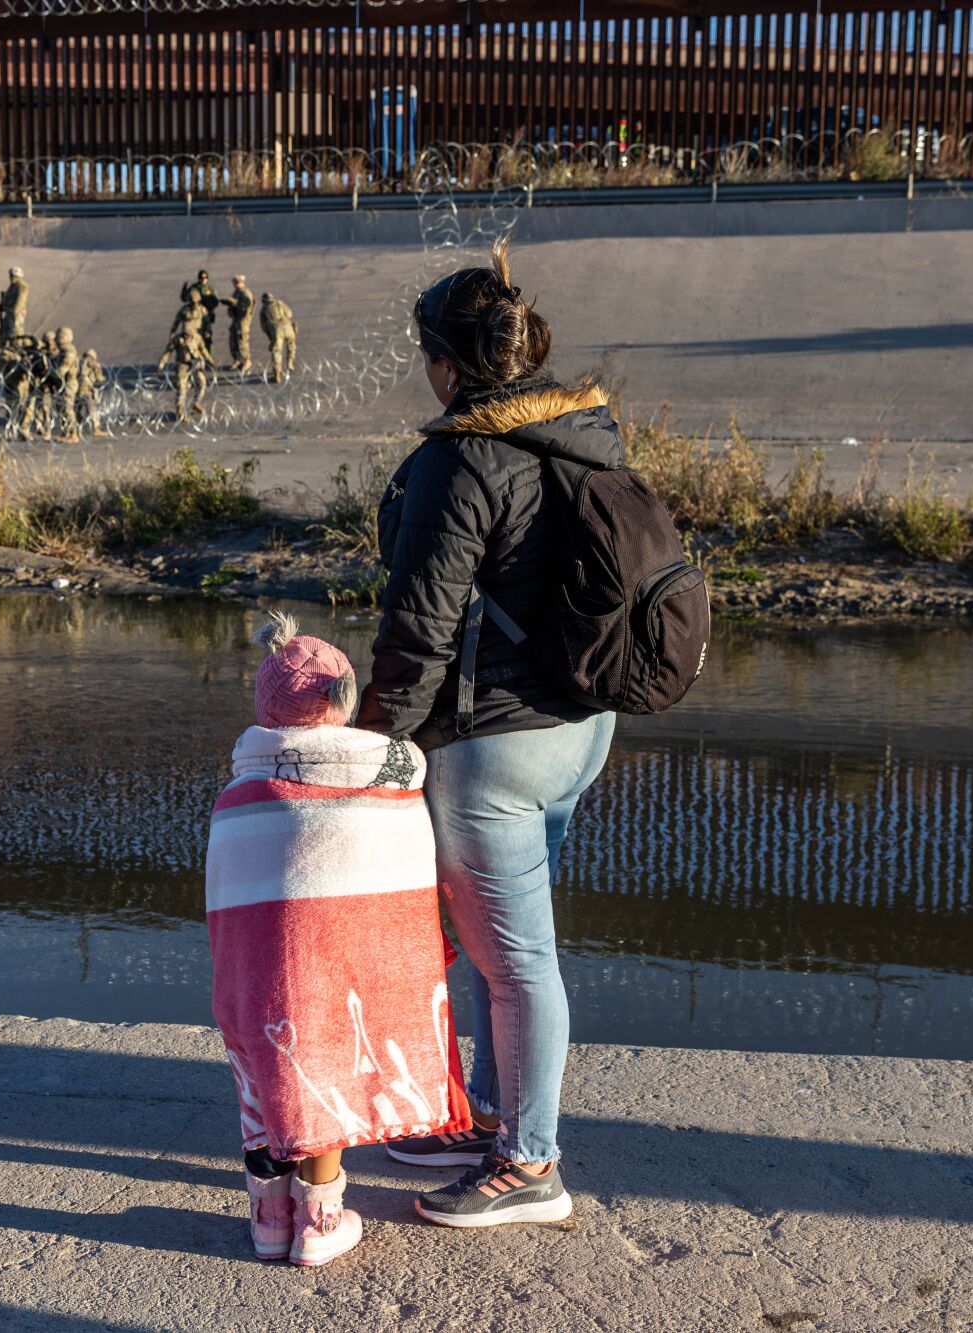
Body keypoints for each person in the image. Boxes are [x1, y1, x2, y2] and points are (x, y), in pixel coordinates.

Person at [356, 238, 617, 1229]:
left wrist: (374, 747)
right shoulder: (583, 430)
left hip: (496, 746)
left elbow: (417, 625)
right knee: (498, 942)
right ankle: (490, 1120)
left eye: (425, 353)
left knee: (514, 962)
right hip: (580, 726)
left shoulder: (460, 455)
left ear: (447, 360)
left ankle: (530, 1163)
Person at [206, 611, 469, 1266]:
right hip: (337, 969)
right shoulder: (392, 781)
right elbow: (403, 890)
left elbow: (224, 896)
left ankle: (269, 1217)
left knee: (262, 1063)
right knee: (322, 1061)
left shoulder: (239, 793)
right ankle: (320, 1218)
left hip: (255, 969)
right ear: (345, 700)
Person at [158, 321, 211, 422]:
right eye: (185, 333)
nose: (186, 335)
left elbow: (203, 350)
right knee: (182, 389)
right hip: (182, 365)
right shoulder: (178, 339)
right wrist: (161, 363)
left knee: (202, 382)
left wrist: (210, 361)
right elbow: (168, 352)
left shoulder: (197, 338)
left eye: (188, 333)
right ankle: (180, 411)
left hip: (195, 364)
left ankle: (197, 402)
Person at [50, 327, 82, 443]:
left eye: (60, 336)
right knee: (60, 407)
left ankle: (73, 434)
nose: (57, 338)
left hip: (69, 383)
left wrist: (49, 373)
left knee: (67, 407)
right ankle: (65, 432)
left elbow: (61, 371)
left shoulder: (69, 353)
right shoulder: (61, 352)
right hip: (61, 384)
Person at [260, 292, 297, 383]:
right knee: (291, 345)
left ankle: (277, 374)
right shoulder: (280, 303)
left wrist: (270, 337)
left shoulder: (264, 309)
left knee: (276, 351)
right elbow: (289, 314)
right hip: (288, 327)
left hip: (276, 330)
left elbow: (264, 326)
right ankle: (290, 363)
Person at [223, 276, 255, 374]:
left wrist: (233, 302)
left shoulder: (246, 294)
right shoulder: (237, 293)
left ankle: (247, 361)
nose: (236, 284)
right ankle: (237, 359)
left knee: (242, 341)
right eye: (234, 283)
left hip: (243, 321)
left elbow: (245, 306)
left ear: (242, 282)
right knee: (233, 340)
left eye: (237, 282)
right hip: (236, 320)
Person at [0, 267, 28, 348]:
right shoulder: (13, 285)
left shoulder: (22, 286)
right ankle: (7, 349)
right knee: (5, 331)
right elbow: (7, 297)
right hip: (9, 312)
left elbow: (20, 301)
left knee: (15, 333)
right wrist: (2, 305)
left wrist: (14, 312)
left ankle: (16, 350)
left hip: (16, 315)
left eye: (12, 275)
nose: (10, 277)